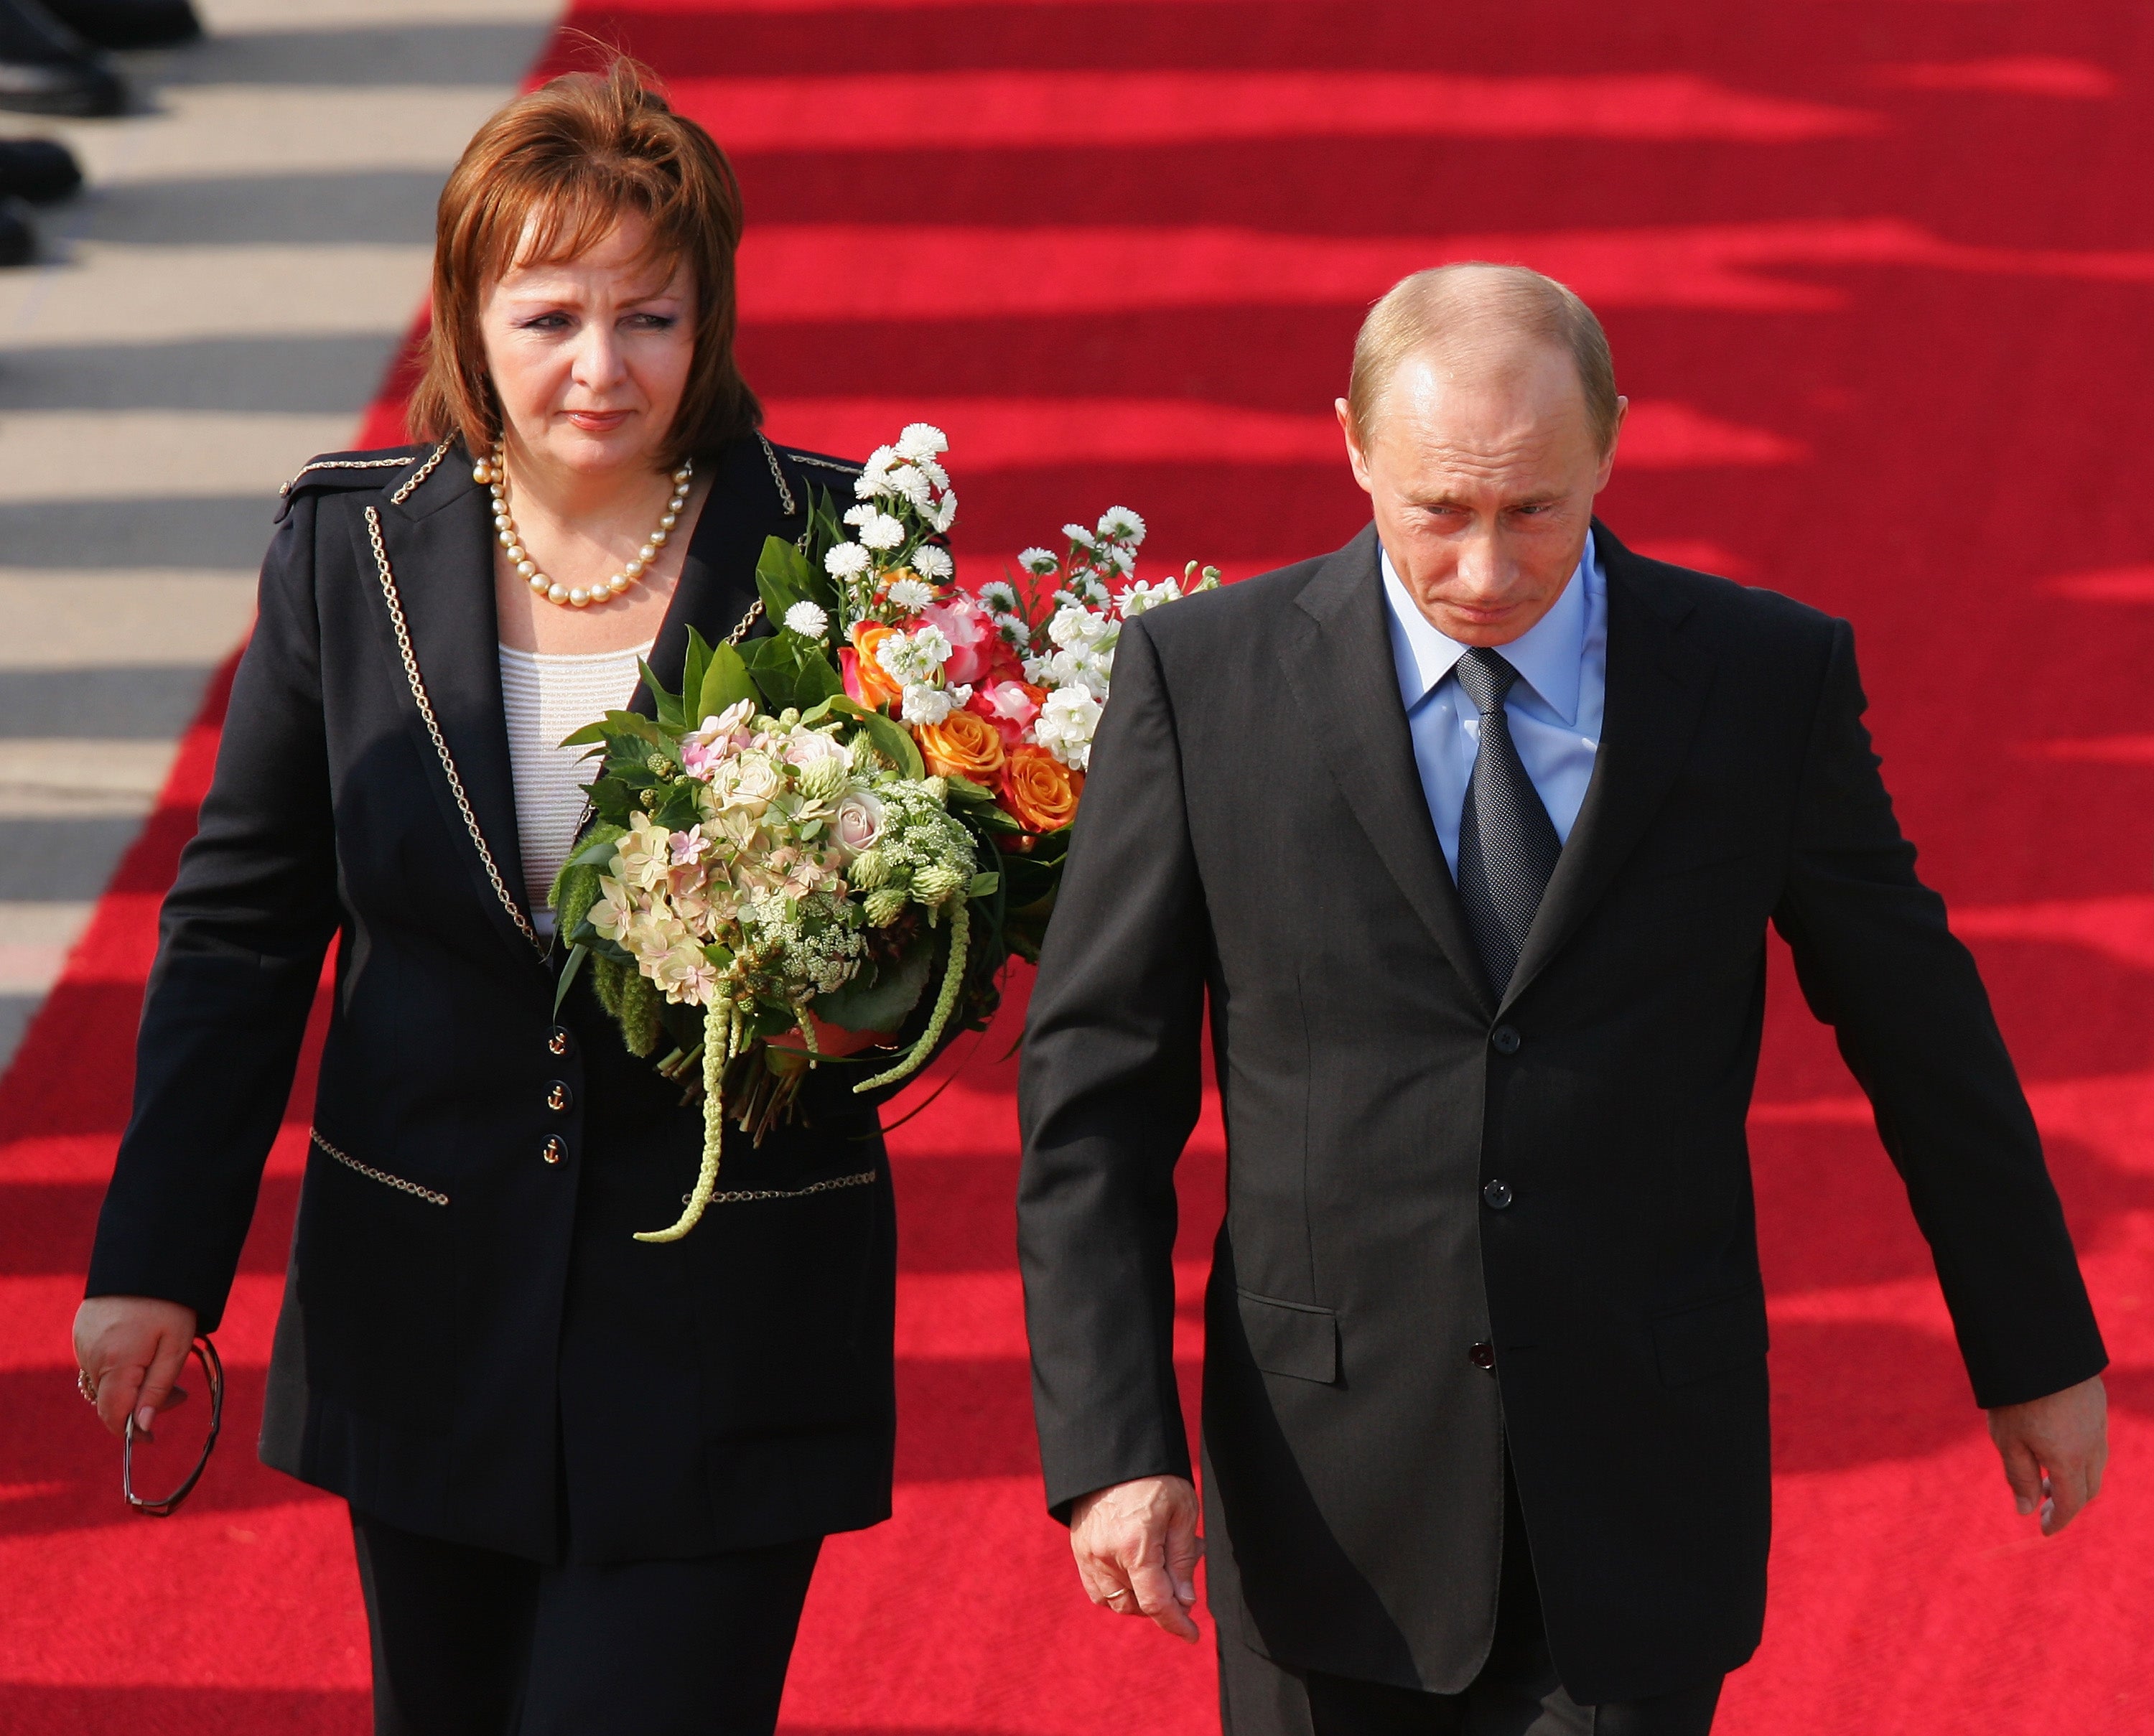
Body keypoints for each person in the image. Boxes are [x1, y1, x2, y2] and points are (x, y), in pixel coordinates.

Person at [1016, 263, 2108, 1735]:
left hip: (1643, 1478)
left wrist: (2033, 1350)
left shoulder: (1759, 679)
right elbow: (1099, 1092)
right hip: (1327, 1491)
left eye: (1532, 508)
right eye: (1437, 514)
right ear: (1351, 446)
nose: (1482, 569)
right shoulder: (1203, 683)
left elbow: (1921, 1027)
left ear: (1612, 442)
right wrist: (1112, 1445)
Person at [73, 61, 892, 1736]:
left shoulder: (834, 546)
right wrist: (159, 1262)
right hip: (429, 1306)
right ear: (466, 316)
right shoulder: (347, 550)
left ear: (710, 317)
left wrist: (841, 989)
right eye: (550, 317)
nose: (602, 369)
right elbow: (240, 924)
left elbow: (920, 939)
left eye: (651, 318)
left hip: (724, 1312)